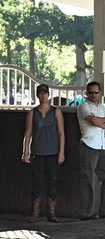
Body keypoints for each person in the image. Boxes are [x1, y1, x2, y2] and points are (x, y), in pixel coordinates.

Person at [22, 84, 65, 223]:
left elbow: (61, 133)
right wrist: (26, 152)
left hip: (53, 152)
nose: (43, 96)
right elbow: (28, 133)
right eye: (40, 93)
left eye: (45, 93)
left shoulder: (56, 111)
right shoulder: (32, 113)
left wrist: (61, 152)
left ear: (48, 94)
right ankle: (35, 213)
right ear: (37, 95)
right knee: (37, 182)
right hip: (37, 152)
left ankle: (51, 212)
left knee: (52, 182)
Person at [77, 81, 105, 220]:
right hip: (88, 145)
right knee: (86, 179)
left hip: (102, 147)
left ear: (100, 93)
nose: (93, 95)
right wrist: (102, 121)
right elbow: (95, 122)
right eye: (90, 92)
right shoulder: (83, 106)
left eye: (96, 92)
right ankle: (86, 212)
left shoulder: (102, 107)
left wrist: (100, 121)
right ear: (87, 93)